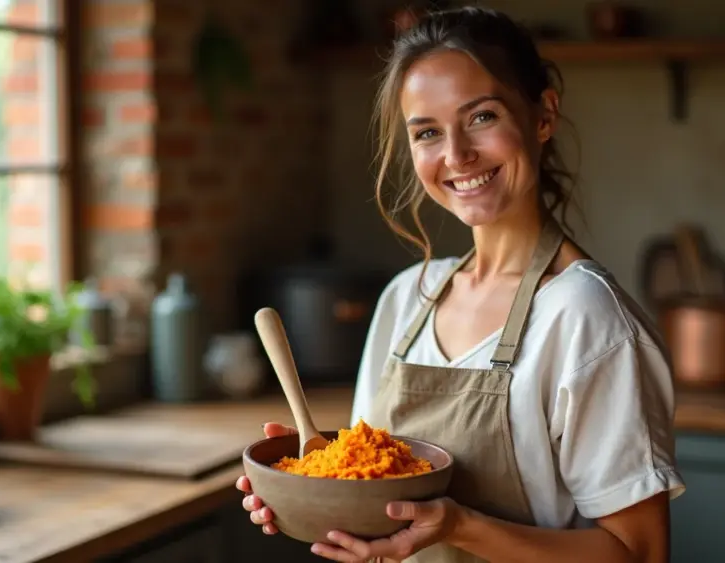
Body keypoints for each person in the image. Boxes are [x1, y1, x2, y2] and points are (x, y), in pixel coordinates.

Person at [236, 6, 685, 562]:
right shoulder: (408, 298)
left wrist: (458, 525)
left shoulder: (584, 316)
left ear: (543, 115)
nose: (456, 156)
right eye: (427, 132)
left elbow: (640, 553)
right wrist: (310, 489)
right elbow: (372, 513)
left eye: (481, 117)